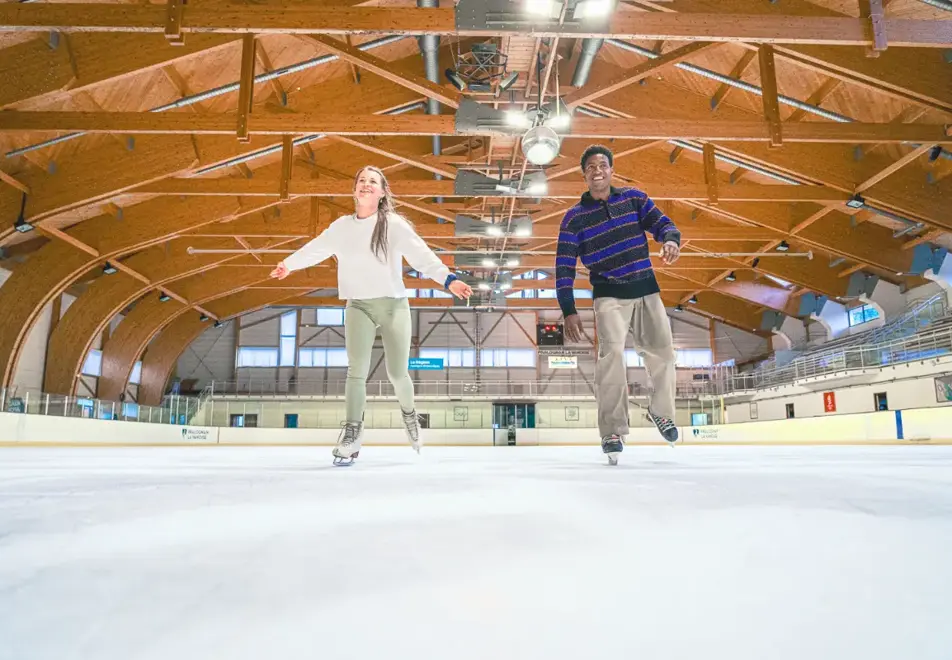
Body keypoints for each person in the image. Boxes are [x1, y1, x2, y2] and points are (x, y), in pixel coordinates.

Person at [271, 165, 473, 464]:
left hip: (393, 305)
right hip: (358, 306)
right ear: (355, 190)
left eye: (373, 182)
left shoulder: (393, 224)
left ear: (381, 193)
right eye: (361, 180)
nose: (366, 184)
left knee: (396, 372)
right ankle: (352, 433)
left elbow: (422, 256)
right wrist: (289, 264)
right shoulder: (341, 226)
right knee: (356, 371)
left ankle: (409, 415)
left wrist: (448, 279)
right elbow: (317, 248)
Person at [556, 145, 681, 465]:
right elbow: (564, 268)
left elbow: (663, 223)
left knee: (664, 353)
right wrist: (569, 309)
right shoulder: (574, 219)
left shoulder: (634, 200)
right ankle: (612, 431)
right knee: (611, 357)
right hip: (608, 295)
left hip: (646, 290)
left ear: (611, 170)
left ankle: (661, 413)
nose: (597, 170)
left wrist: (670, 239)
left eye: (602, 165)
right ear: (583, 174)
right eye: (590, 167)